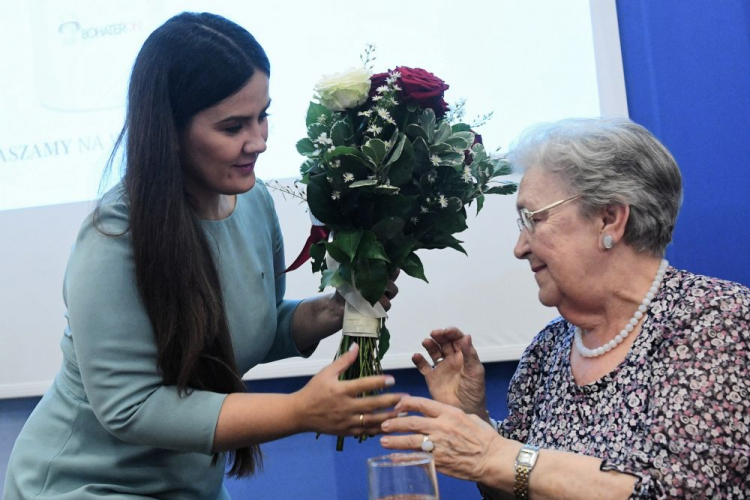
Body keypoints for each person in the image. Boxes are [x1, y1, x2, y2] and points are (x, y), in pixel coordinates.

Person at [3, 12, 403, 500]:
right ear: (168, 130)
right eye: (233, 126)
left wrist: (329, 311)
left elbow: (253, 327)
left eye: (263, 116)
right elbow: (131, 408)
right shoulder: (112, 239)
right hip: (83, 486)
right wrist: (300, 411)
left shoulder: (254, 203)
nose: (257, 141)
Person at [379, 117, 750, 499]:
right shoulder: (548, 348)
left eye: (533, 219)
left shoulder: (716, 320)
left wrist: (493, 452)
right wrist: (474, 421)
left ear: (609, 219)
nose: (519, 247)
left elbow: (683, 491)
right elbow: (516, 486)